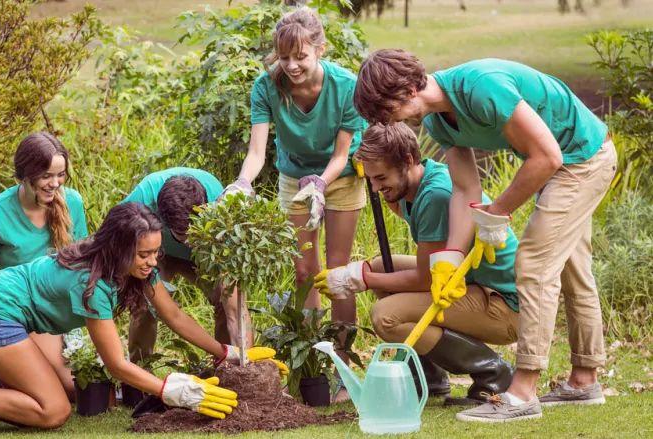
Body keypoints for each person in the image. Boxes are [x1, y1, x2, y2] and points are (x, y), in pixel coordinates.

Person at [353, 50, 616, 422]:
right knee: (574, 272)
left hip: (584, 158)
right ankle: (584, 380)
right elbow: (465, 189)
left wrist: (498, 212)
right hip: (562, 162)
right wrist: (452, 256)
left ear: (408, 89)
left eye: (386, 110)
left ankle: (522, 392)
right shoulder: (440, 122)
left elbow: (546, 156)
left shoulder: (481, 87)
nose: (387, 121)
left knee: (534, 263)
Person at [0, 202, 281, 438]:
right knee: (54, 411)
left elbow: (173, 314)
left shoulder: (133, 267)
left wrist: (225, 352)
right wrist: (172, 389)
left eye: (156, 253)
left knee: (71, 388)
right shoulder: (93, 284)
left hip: (25, 318)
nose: (153, 263)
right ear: (119, 247)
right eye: (144, 254)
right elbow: (117, 364)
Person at [315, 122, 518, 405]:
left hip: (504, 304)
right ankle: (430, 379)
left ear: (408, 161)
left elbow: (425, 279)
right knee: (381, 267)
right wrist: (380, 178)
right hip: (470, 282)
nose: (374, 186)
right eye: (371, 179)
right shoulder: (415, 181)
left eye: (381, 177)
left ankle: (494, 372)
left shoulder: (435, 195)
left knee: (385, 315)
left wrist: (359, 279)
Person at [223, 6, 367, 402]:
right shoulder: (266, 86)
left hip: (340, 179)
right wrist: (241, 183)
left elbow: (342, 154)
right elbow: (257, 153)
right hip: (293, 180)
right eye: (284, 57)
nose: (291, 66)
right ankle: (310, 362)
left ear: (320, 48)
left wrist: (321, 182)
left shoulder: (345, 85)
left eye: (300, 56)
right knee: (304, 269)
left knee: (338, 273)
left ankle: (343, 365)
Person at [0, 131, 88, 394]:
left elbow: (80, 269)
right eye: (46, 176)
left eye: (60, 175)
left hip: (54, 311)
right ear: (25, 174)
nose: (54, 183)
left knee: (81, 387)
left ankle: (8, 374)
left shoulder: (73, 203)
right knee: (62, 388)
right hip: (14, 309)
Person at [119, 167, 253, 373]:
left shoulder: (220, 201)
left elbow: (235, 305)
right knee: (143, 304)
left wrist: (248, 360)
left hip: (206, 253)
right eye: (184, 234)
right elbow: (113, 238)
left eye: (195, 230)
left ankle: (230, 369)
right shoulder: (144, 196)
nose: (190, 240)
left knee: (226, 298)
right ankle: (139, 372)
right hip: (158, 254)